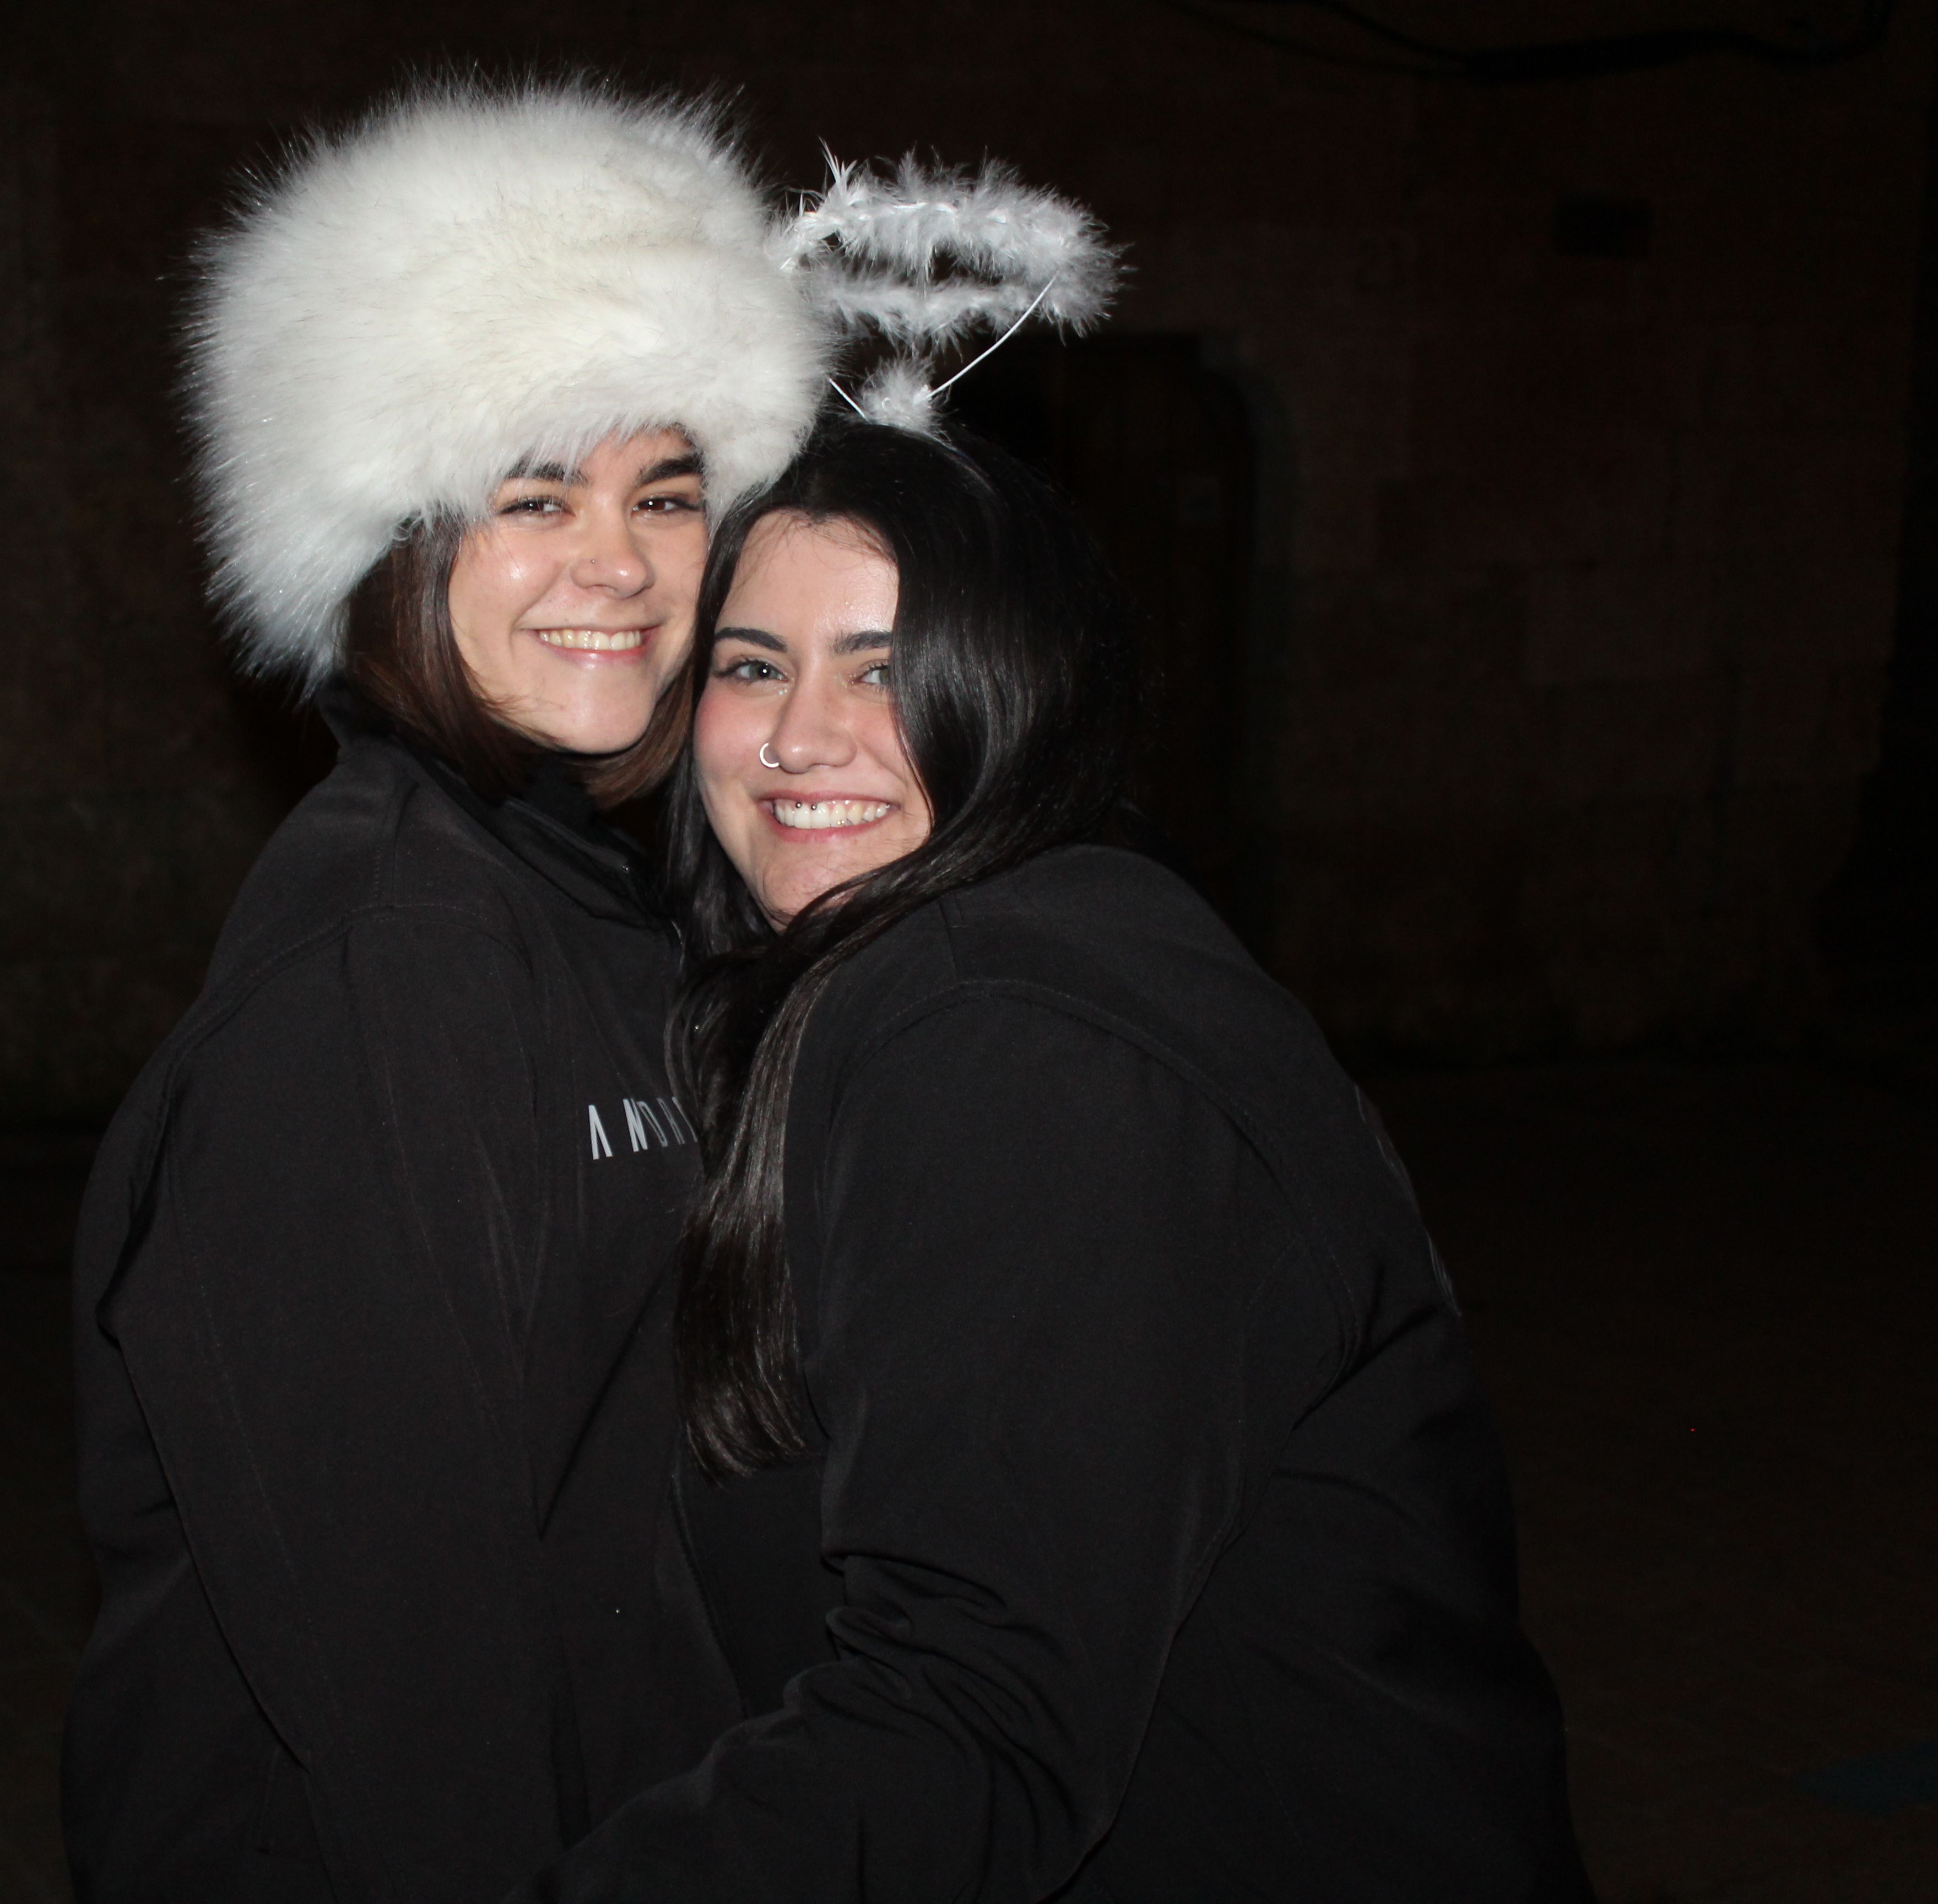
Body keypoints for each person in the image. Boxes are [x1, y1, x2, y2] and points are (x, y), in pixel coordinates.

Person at [524, 419, 1596, 1901]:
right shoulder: (956, 967)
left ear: (1023, 688)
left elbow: (970, 1717)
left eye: (887, 669)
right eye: (754, 664)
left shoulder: (1007, 1034)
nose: (798, 737)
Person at [61, 83, 828, 1902]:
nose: (617, 565)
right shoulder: (377, 978)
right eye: (531, 494)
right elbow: (392, 1650)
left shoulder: (612, 896)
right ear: (396, 545)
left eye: (664, 490)